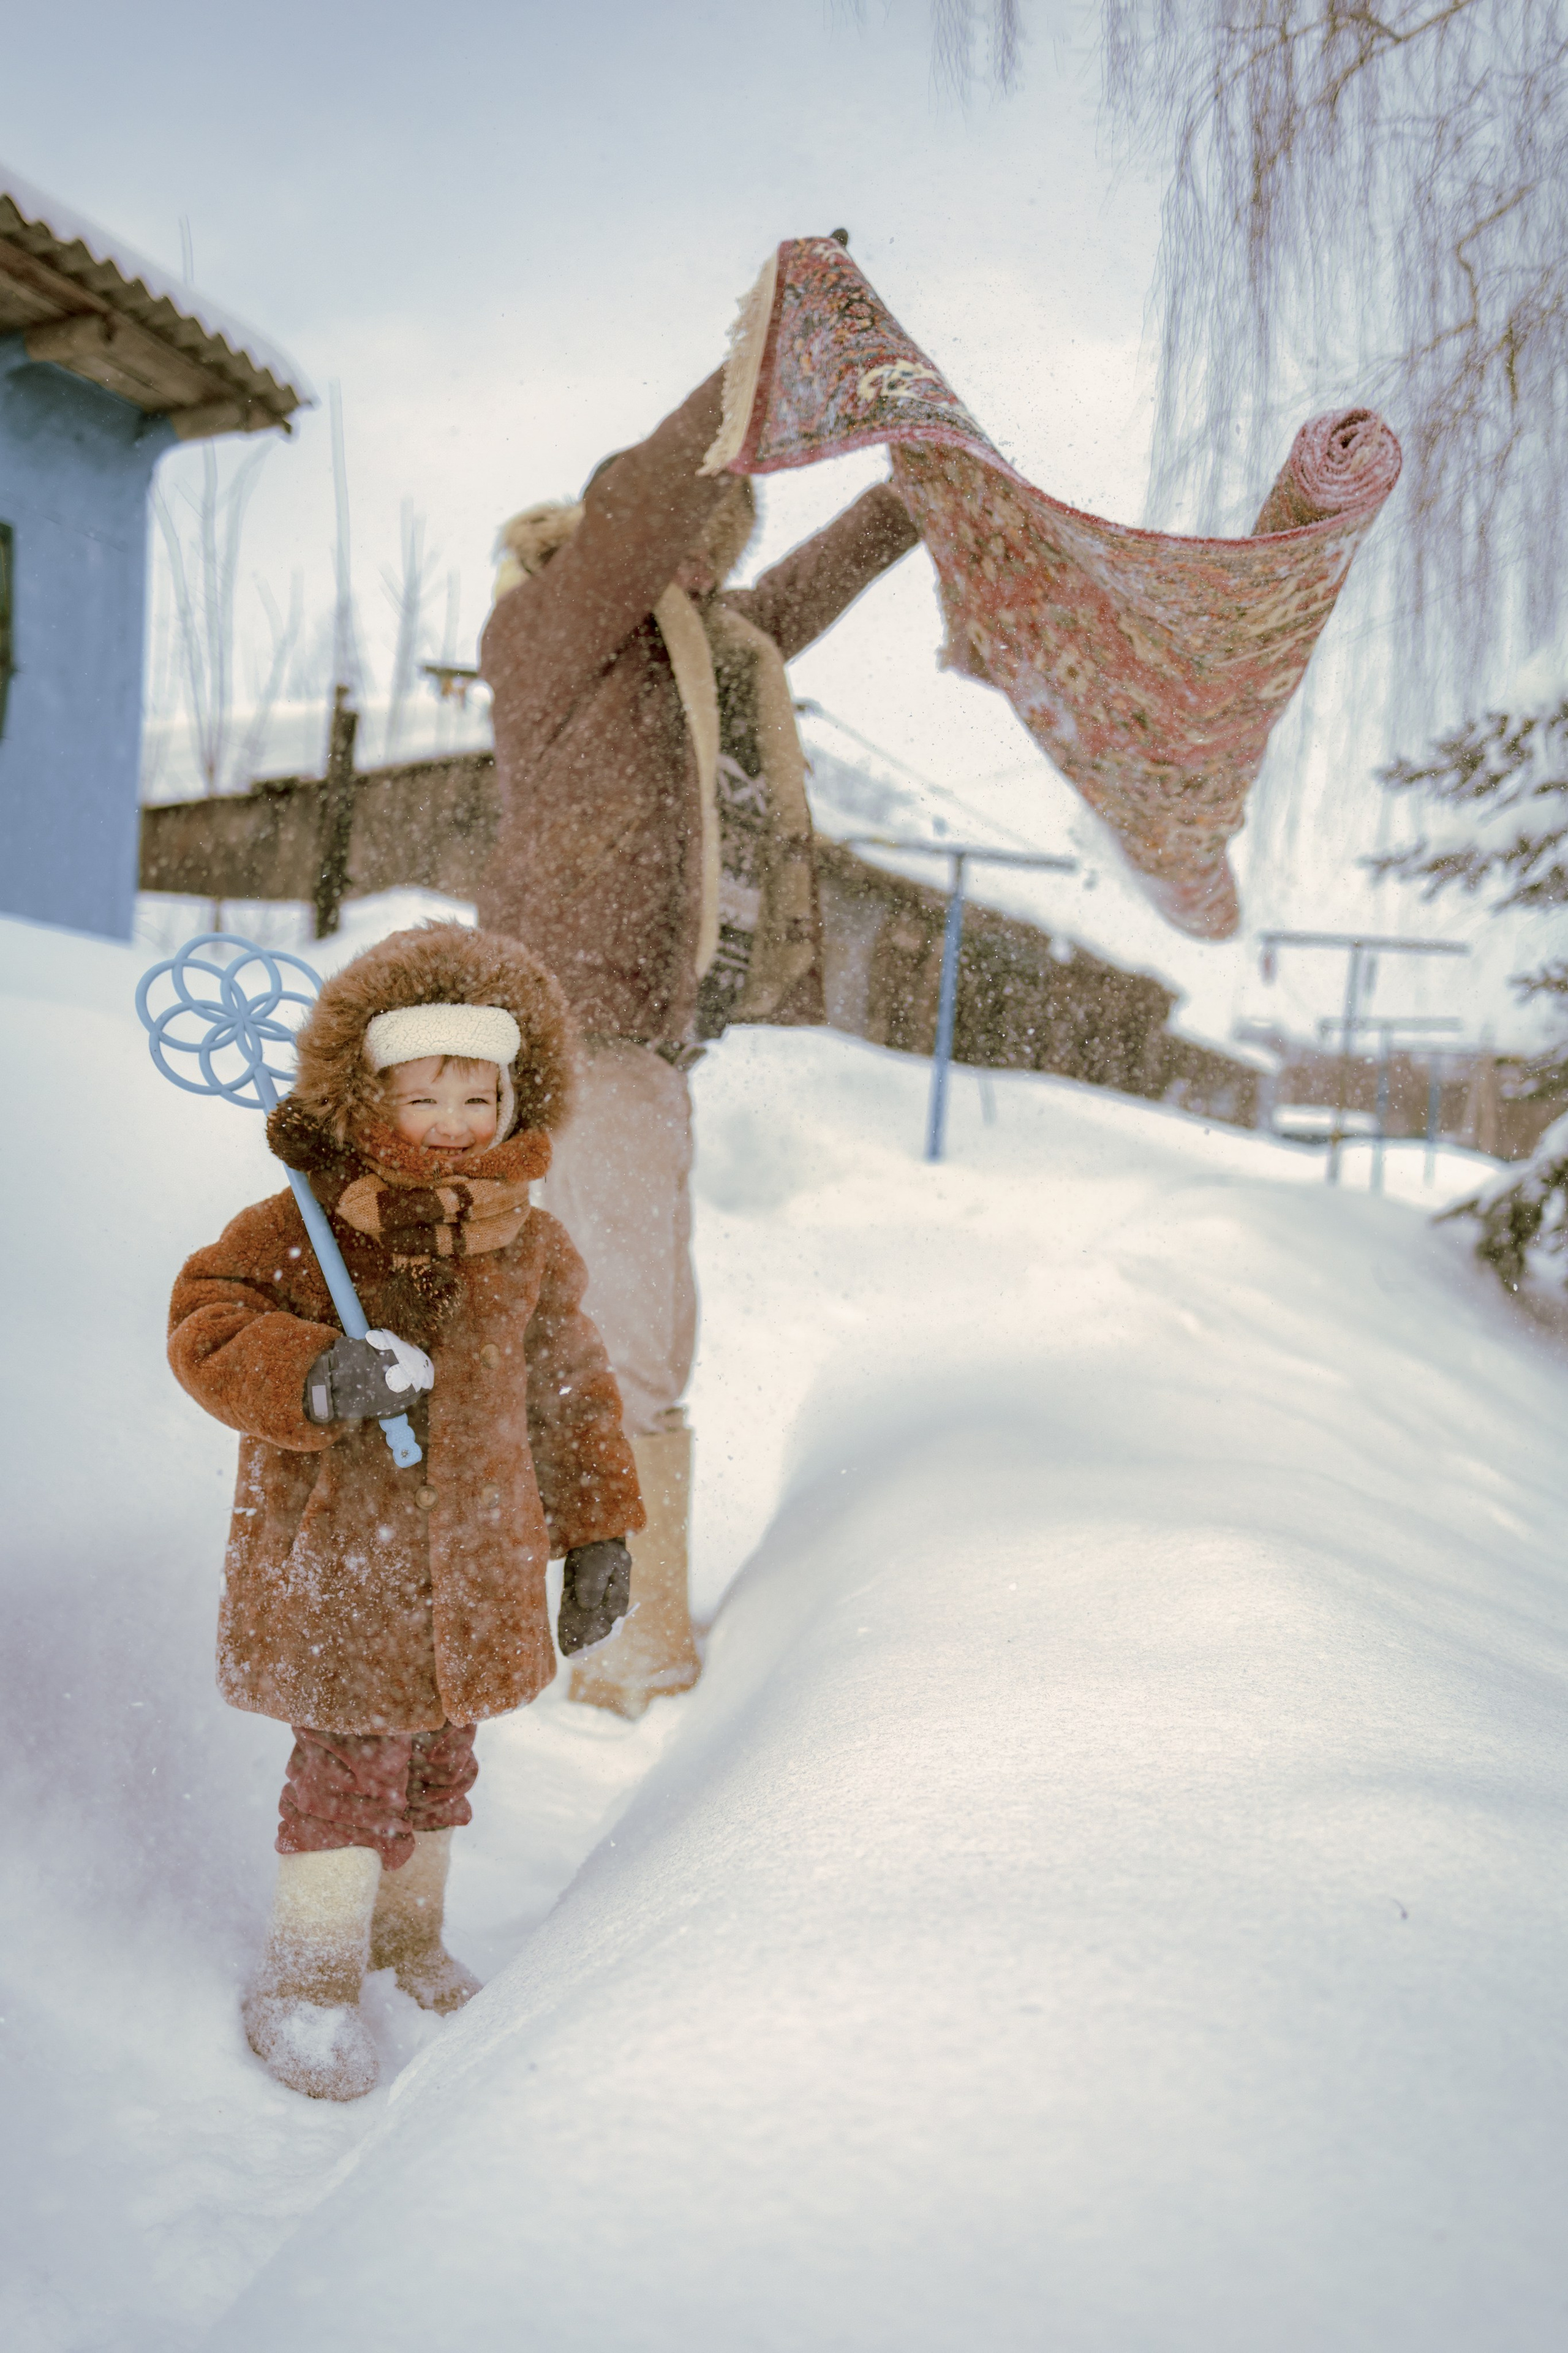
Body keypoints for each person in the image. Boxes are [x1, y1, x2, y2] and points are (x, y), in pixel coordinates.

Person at [478, 363, 921, 1715]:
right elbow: (643, 504)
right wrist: (757, 374)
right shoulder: (554, 625)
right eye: (701, 538)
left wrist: (907, 500)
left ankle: (600, 1621)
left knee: (625, 1320)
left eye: (724, 553)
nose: (714, 565)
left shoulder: (700, 659)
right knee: (624, 1334)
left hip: (633, 1035)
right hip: (566, 1021)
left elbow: (785, 612)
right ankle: (620, 1650)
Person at [167, 923, 643, 2102]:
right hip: (347, 1561)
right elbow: (206, 1319)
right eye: (419, 1092)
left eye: (474, 1093)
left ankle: (406, 1940)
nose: (448, 1121)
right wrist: (319, 1373)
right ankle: (311, 1974)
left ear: (512, 1096)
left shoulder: (526, 1242)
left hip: (475, 1565)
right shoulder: (310, 1222)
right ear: (365, 1090)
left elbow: (571, 1392)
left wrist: (596, 1533)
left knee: (438, 1761)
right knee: (348, 1769)